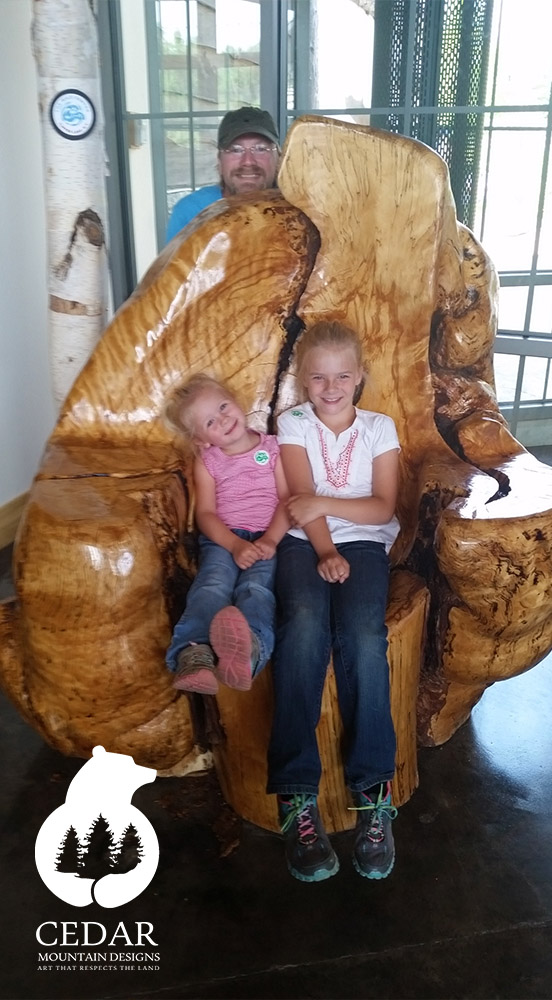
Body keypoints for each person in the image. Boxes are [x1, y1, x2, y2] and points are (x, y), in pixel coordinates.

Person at [267, 320, 401, 883]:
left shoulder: (379, 427)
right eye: (319, 377)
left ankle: (374, 792)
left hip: (365, 546)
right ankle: (296, 794)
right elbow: (298, 503)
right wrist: (324, 547)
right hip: (304, 543)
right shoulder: (292, 423)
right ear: (303, 380)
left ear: (359, 376)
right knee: (302, 625)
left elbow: (382, 508)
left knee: (365, 637)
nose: (331, 387)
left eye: (342, 376)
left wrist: (325, 506)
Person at [164, 374, 289, 695]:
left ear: (236, 401)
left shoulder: (273, 448)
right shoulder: (208, 461)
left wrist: (271, 540)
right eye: (210, 422)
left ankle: (249, 652)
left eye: (222, 407)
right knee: (212, 584)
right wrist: (233, 544)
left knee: (256, 588)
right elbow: (205, 514)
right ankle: (195, 656)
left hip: (267, 536)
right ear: (201, 440)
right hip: (223, 537)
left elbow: (287, 501)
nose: (222, 419)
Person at [166, 106, 280, 242]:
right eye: (236, 150)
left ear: (279, 158)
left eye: (261, 149)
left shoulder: (297, 209)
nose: (248, 161)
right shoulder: (191, 213)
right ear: (220, 160)